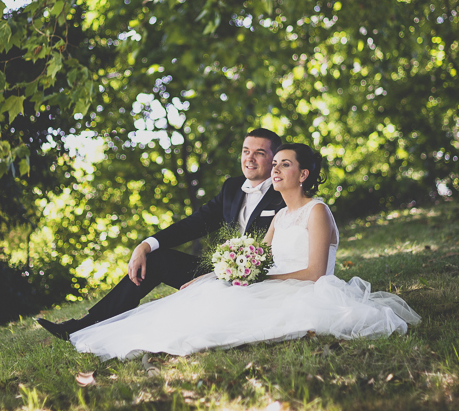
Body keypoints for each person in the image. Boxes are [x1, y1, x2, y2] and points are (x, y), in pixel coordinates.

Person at [68, 143, 421, 360]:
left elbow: (316, 274)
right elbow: (255, 260)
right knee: (202, 298)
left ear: (304, 174)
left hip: (305, 290)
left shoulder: (318, 211)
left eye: (285, 164)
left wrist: (261, 279)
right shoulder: (281, 216)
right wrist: (212, 277)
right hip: (271, 282)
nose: (276, 169)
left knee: (220, 319)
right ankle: (97, 324)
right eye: (276, 163)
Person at [38, 128, 287, 340]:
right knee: (156, 259)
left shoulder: (285, 193)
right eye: (246, 151)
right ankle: (85, 324)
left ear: (274, 159)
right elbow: (195, 223)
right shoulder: (232, 187)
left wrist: (213, 276)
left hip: (260, 281)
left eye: (260, 153)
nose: (250, 159)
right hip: (223, 271)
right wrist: (146, 245)